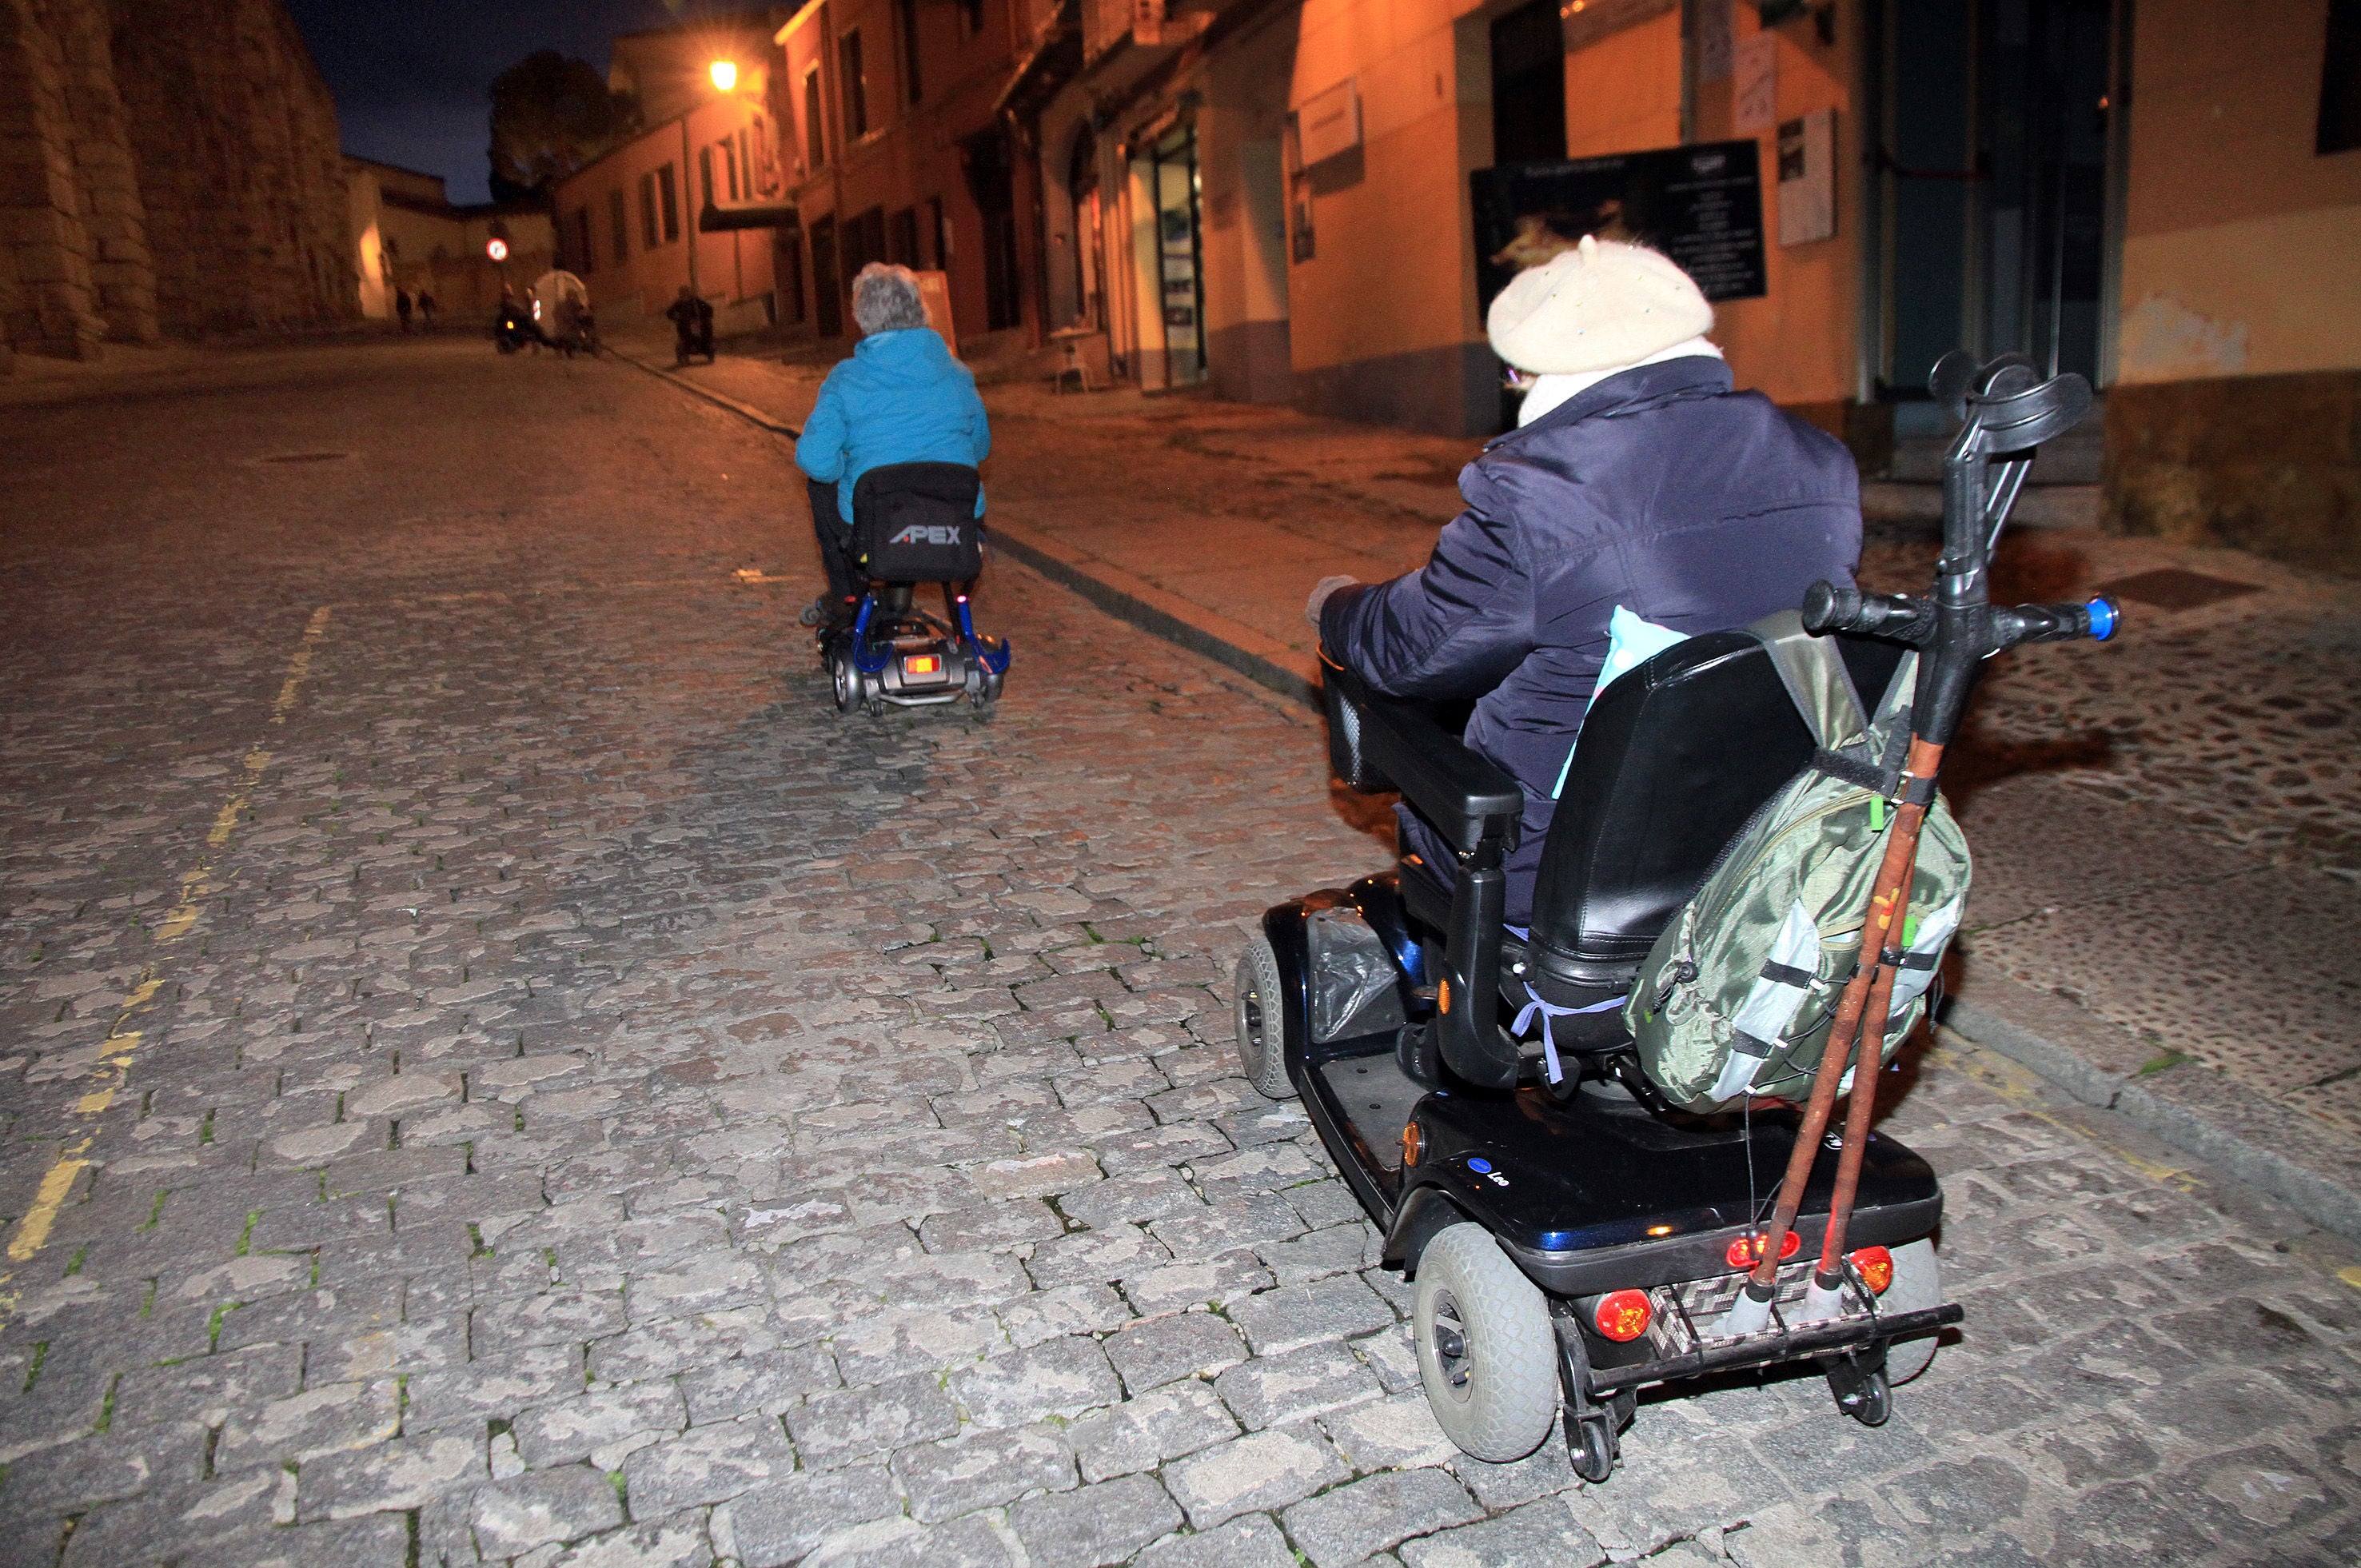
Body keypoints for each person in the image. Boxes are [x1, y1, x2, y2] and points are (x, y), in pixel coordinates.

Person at [1313, 234, 1863, 927]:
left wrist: (1335, 606)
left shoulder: (1537, 496)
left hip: (1566, 875)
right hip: (1770, 841)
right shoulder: (1821, 461)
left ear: (1538, 372)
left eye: (1514, 375)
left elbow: (1411, 650)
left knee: (1384, 692)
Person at [795, 263, 988, 630]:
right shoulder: (959, 374)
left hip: (878, 523)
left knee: (821, 487)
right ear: (920, 310)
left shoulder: (846, 379)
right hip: (952, 521)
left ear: (861, 316)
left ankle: (846, 597)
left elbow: (815, 460)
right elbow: (980, 447)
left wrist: (849, 466)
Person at [665, 285, 714, 364]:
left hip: (697, 324)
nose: (685, 296)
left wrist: (707, 318)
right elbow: (669, 313)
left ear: (689, 293)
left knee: (705, 336)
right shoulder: (679, 304)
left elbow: (708, 308)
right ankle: (685, 355)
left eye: (686, 293)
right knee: (684, 339)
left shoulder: (696, 301)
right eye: (683, 294)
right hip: (684, 326)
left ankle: (706, 350)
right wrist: (676, 318)